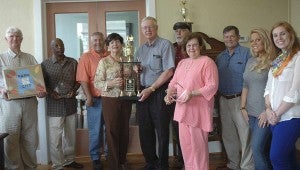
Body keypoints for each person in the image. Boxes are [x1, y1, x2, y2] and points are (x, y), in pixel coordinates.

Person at [164, 32, 219, 170]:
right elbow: (174, 82)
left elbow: (212, 86)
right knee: (187, 147)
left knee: (198, 148)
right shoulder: (182, 63)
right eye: (189, 45)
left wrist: (192, 93)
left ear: (201, 46)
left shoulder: (207, 62)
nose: (192, 48)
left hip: (198, 111)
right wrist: (169, 93)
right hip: (183, 110)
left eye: (195, 45)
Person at [0, 27, 44, 170]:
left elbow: (38, 81)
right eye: (11, 36)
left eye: (18, 36)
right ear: (6, 40)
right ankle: (13, 168)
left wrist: (41, 91)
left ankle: (31, 167)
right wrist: (1, 90)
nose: (15, 39)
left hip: (30, 103)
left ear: (22, 39)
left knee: (30, 139)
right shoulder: (1, 58)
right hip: (10, 104)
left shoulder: (30, 58)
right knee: (11, 139)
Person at [135, 16, 175, 170]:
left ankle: (162, 165)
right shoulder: (140, 49)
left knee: (162, 131)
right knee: (145, 130)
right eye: (145, 28)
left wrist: (151, 89)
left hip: (158, 93)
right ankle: (150, 163)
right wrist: (135, 70)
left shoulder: (165, 45)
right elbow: (136, 70)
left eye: (150, 27)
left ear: (156, 28)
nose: (148, 30)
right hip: (143, 93)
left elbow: (169, 71)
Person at [41, 38, 83, 170]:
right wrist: (50, 92)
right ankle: (58, 164)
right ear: (51, 48)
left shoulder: (73, 62)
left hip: (70, 104)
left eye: (62, 45)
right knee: (55, 137)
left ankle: (69, 160)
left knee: (70, 135)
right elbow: (41, 84)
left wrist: (74, 90)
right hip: (54, 105)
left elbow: (79, 80)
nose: (60, 48)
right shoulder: (45, 65)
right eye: (56, 46)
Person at [216, 25, 254, 170]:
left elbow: (250, 78)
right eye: (226, 37)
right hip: (223, 100)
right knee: (228, 134)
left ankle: (247, 166)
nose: (229, 39)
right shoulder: (220, 57)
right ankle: (233, 164)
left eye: (232, 36)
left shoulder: (246, 53)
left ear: (238, 37)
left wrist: (245, 103)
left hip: (240, 99)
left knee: (245, 135)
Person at [264, 21, 300, 170]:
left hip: (290, 116)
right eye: (275, 35)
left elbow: (295, 91)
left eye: (282, 33)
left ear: (291, 34)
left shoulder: (298, 57)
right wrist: (268, 110)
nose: (279, 38)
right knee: (288, 157)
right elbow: (268, 89)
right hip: (274, 117)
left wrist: (276, 113)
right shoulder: (277, 59)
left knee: (277, 157)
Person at [94, 33, 132, 170]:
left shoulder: (128, 59)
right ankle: (114, 165)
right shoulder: (103, 62)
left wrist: (135, 72)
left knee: (124, 131)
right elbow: (96, 83)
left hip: (126, 99)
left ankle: (122, 161)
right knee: (112, 131)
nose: (115, 44)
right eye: (111, 43)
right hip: (110, 100)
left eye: (117, 42)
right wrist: (110, 83)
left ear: (121, 44)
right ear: (108, 46)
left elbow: (134, 79)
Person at [240, 28, 275, 170]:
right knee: (264, 150)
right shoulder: (250, 61)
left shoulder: (273, 61)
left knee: (257, 148)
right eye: (252, 40)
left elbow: (276, 89)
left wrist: (267, 110)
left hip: (264, 113)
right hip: (251, 113)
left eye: (258, 39)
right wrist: (242, 107)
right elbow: (246, 84)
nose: (254, 43)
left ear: (265, 40)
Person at [76, 32, 109, 170]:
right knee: (95, 131)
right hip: (95, 100)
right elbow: (83, 79)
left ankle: (109, 155)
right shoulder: (86, 57)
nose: (98, 42)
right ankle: (95, 158)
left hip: (110, 99)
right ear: (91, 42)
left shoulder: (110, 55)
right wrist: (89, 96)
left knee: (109, 130)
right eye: (95, 40)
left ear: (104, 41)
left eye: (100, 40)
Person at [169, 21, 191, 168]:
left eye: (182, 30)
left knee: (192, 129)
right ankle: (184, 159)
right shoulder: (171, 48)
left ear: (189, 31)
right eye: (176, 30)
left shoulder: (193, 48)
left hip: (192, 95)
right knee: (178, 128)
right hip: (175, 94)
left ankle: (192, 159)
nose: (178, 33)